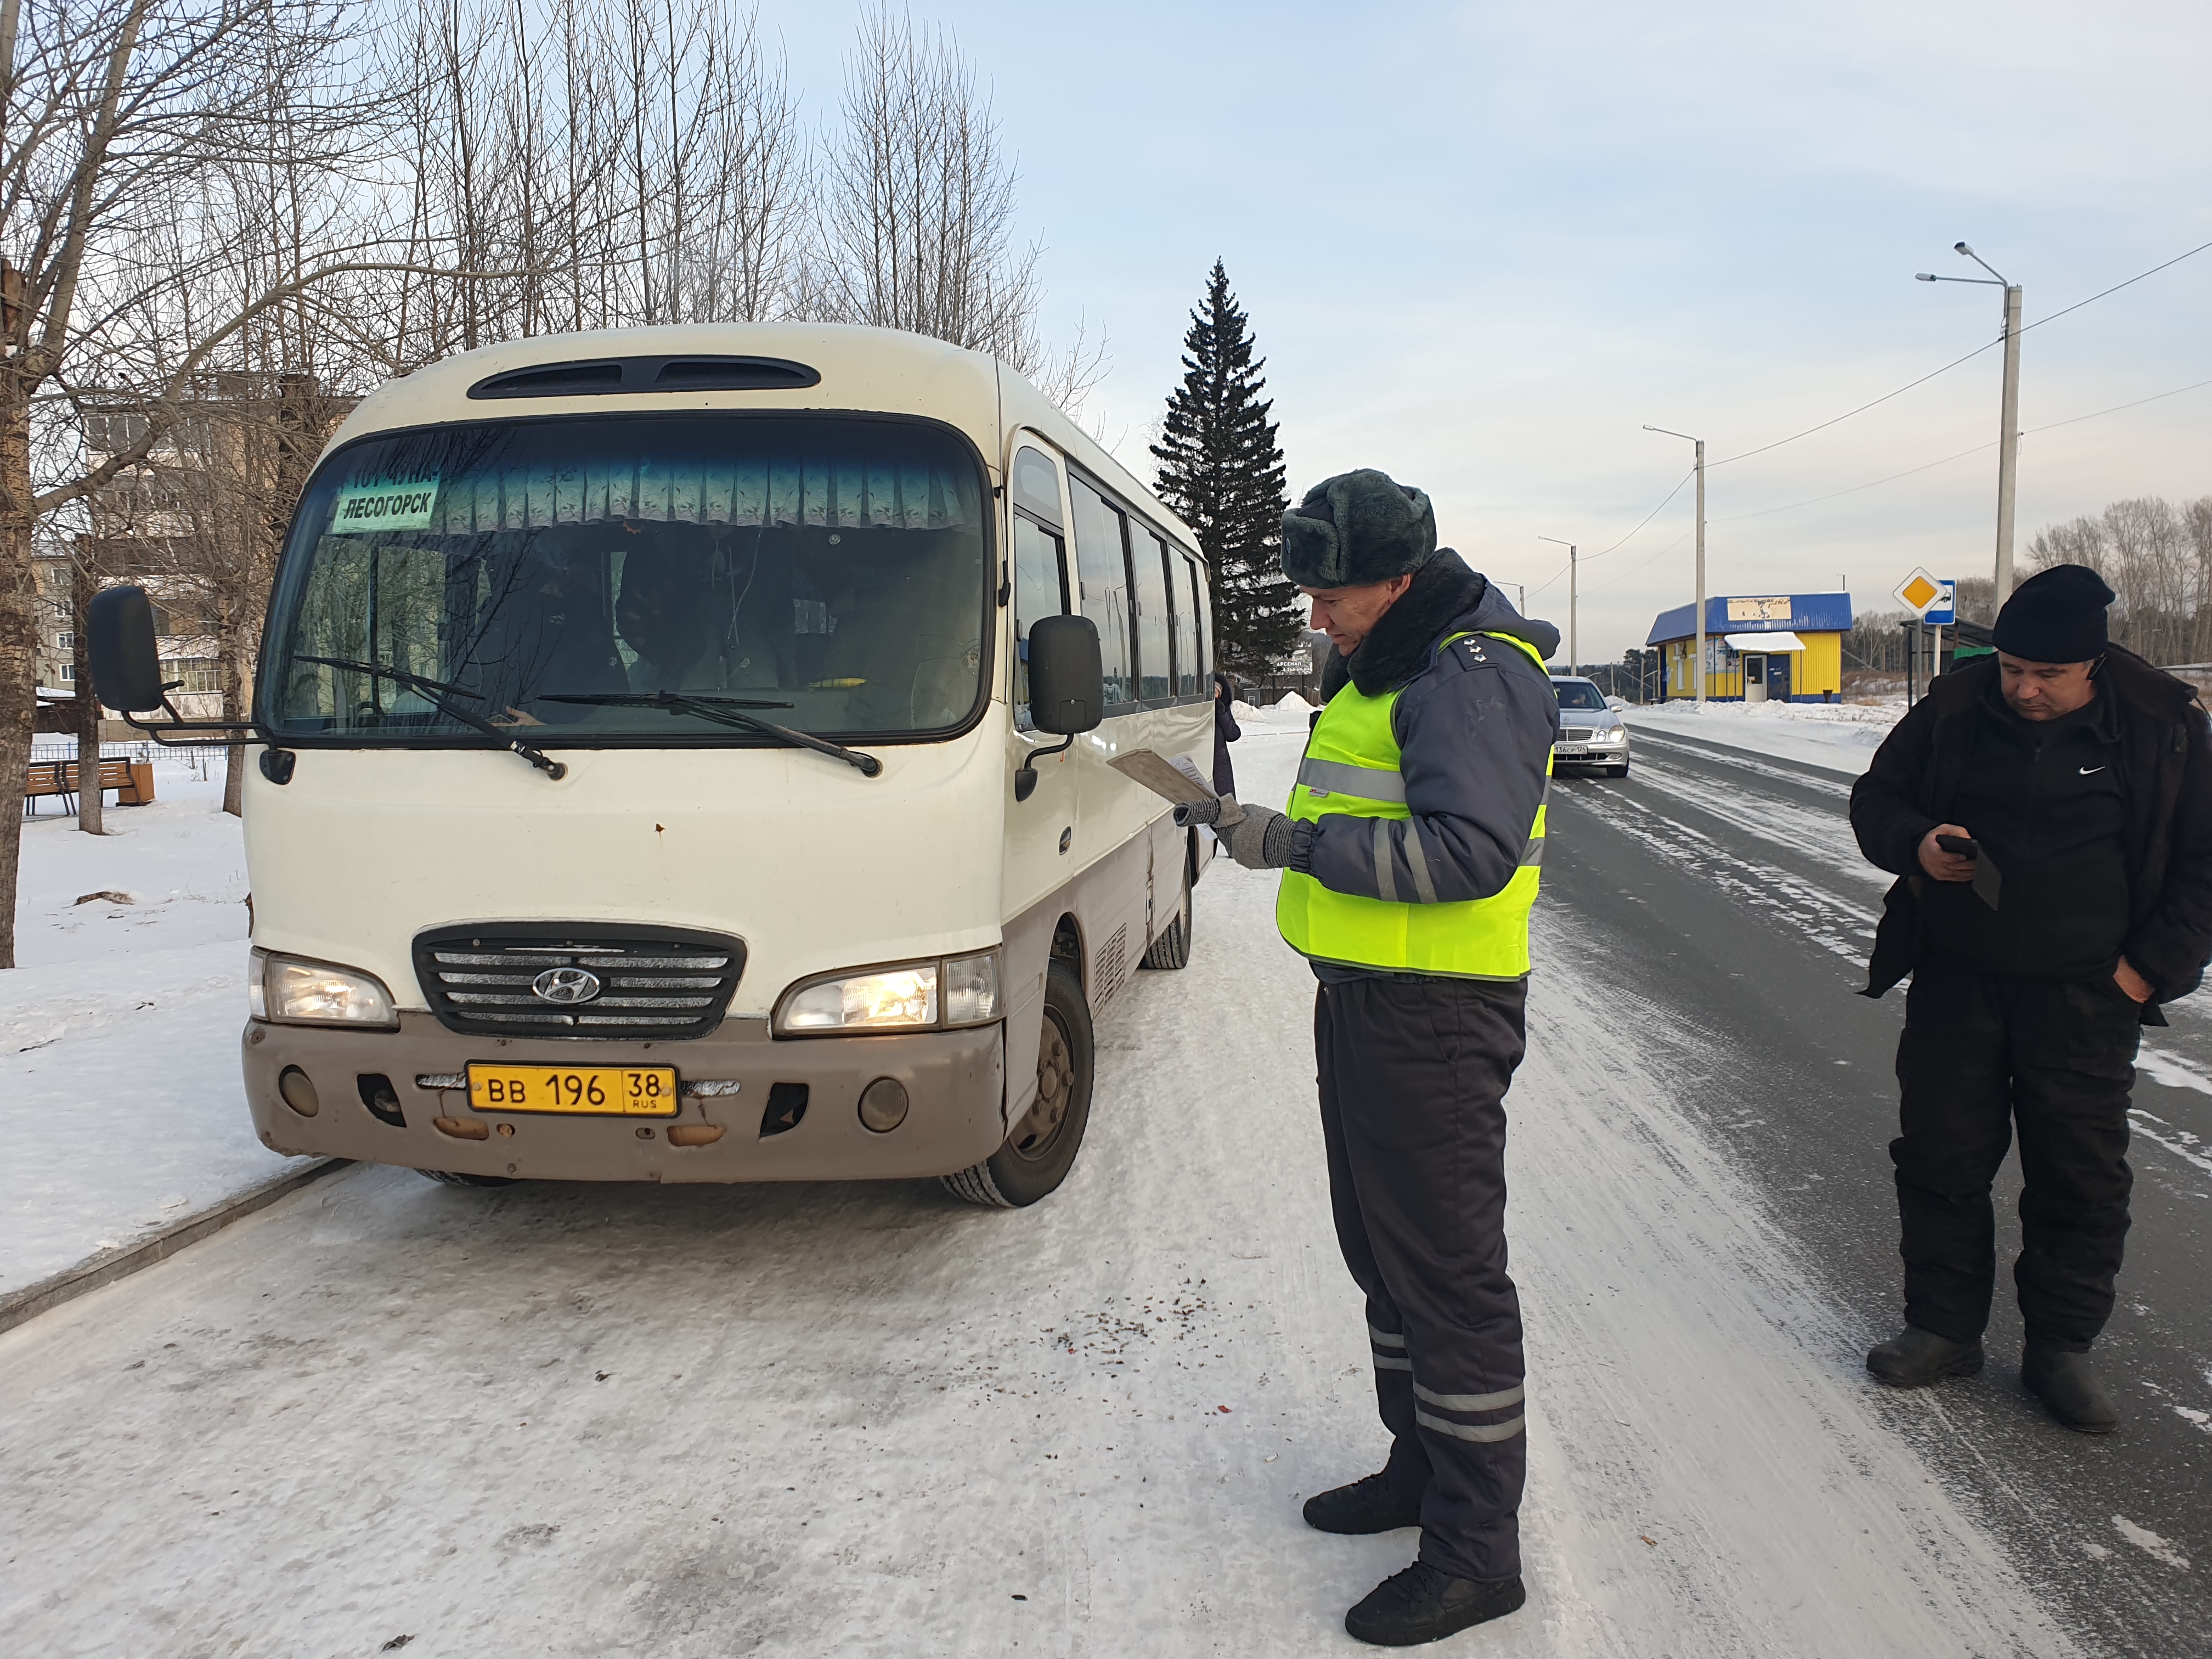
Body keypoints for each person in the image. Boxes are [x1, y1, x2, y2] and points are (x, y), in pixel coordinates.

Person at [1180, 469, 1559, 1645]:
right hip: (1372, 1006)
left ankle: (1475, 1551)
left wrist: (1294, 843)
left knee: (1448, 1281)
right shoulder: (1398, 660)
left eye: (1330, 593)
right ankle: (1421, 1471)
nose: (1314, 615)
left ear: (1398, 581)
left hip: (1436, 1018)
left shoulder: (1470, 672)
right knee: (1386, 1262)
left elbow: (1469, 854)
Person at [1849, 564, 2212, 1431]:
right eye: (2013, 668)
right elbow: (1877, 799)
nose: (2024, 689)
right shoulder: (1957, 705)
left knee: (2078, 1179)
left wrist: (2143, 974)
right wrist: (1917, 843)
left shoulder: (2161, 724)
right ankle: (1942, 1330)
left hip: (2087, 997)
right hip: (1958, 982)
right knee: (1941, 1158)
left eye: (2047, 675)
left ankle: (2061, 1350)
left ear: (2093, 663)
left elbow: (2203, 866)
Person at [1211, 669, 1243, 797]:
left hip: (1219, 764)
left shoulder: (1222, 709)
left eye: (1216, 692)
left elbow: (1233, 734)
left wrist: (1222, 714)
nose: (1214, 695)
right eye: (1211, 692)